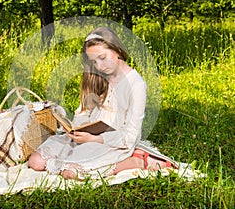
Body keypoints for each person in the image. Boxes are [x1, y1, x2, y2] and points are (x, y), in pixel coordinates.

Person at [28, 27, 177, 180]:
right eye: (94, 61)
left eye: (103, 57)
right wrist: (76, 130)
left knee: (71, 173)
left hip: (111, 142)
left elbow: (131, 136)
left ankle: (134, 162)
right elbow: (83, 112)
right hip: (87, 137)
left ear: (117, 50)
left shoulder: (135, 84)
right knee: (36, 162)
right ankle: (96, 158)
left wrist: (93, 139)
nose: (99, 66)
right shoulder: (97, 76)